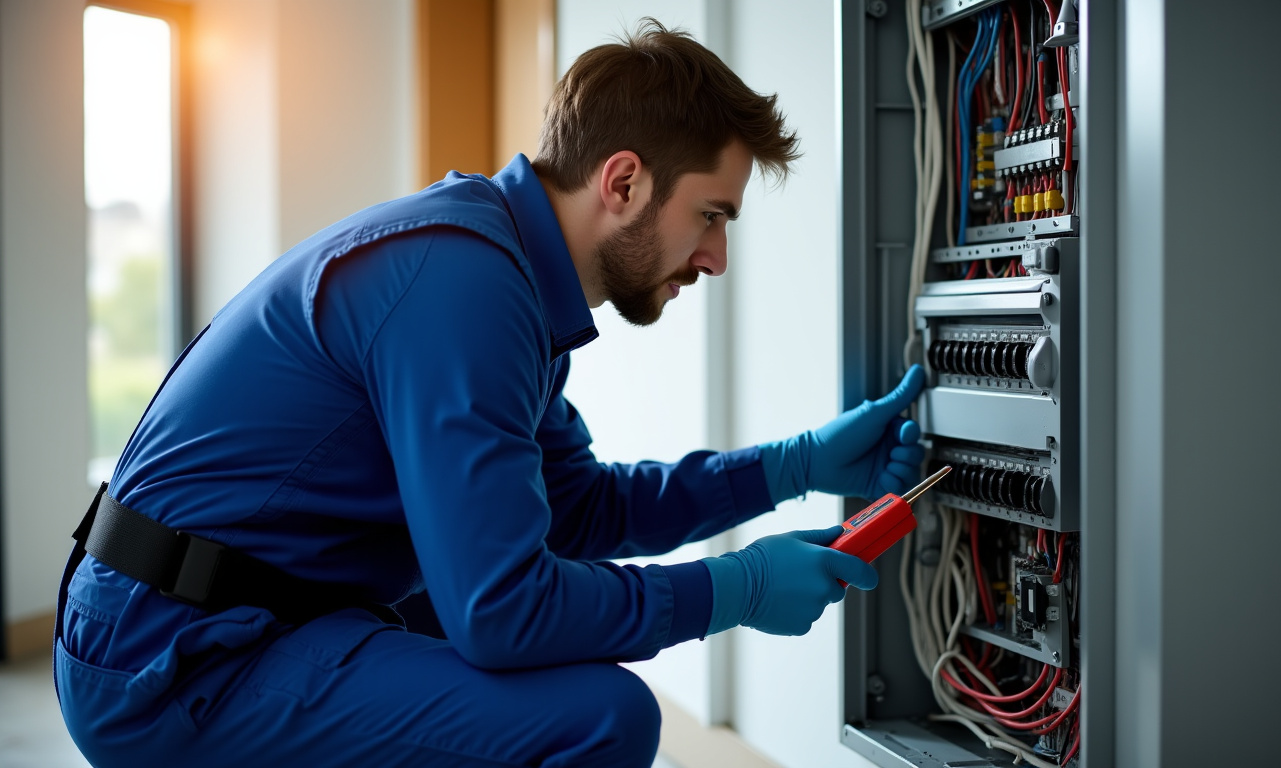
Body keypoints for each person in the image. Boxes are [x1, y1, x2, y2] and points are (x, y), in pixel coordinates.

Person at [55, 19, 926, 768]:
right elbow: (504, 613)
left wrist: (794, 465)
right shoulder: (465, 288)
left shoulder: (500, 270)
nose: (715, 259)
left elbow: (574, 511)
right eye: (711, 216)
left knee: (490, 610)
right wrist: (732, 589)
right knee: (599, 718)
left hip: (239, 616)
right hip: (172, 659)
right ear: (623, 183)